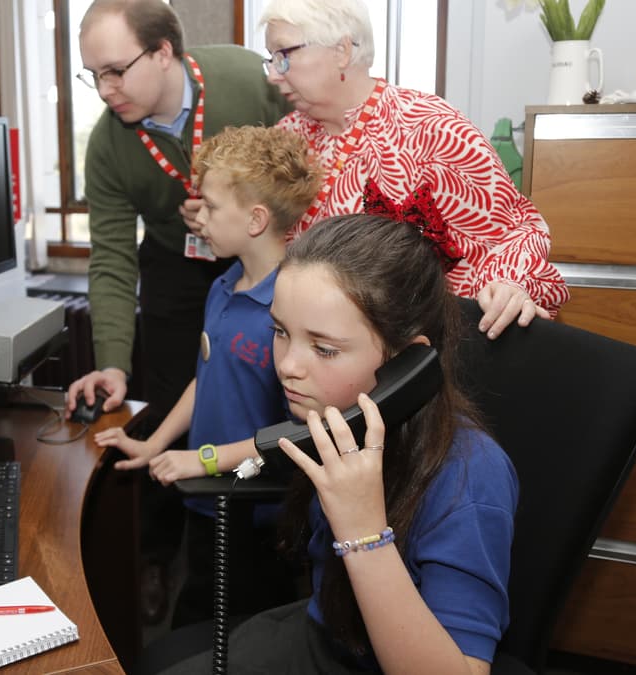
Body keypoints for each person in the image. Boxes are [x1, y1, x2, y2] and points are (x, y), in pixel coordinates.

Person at [159, 213, 518, 674]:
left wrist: (363, 534)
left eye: (324, 349)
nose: (287, 365)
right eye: (280, 332)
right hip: (324, 631)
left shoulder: (470, 478)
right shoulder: (334, 424)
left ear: (406, 363)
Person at [68, 0, 291, 622]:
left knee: (272, 385)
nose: (106, 90)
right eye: (94, 75)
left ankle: (275, 538)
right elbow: (112, 258)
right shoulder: (110, 145)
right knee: (169, 398)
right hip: (175, 263)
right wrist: (112, 363)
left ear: (164, 50)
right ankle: (160, 559)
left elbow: (309, 162)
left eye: (116, 70)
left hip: (263, 245)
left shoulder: (246, 79)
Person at [94, 125, 322, 626]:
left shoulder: (292, 307)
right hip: (207, 496)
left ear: (256, 219)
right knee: (196, 618)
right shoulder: (223, 286)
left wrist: (205, 460)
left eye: (213, 207)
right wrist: (156, 444)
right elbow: (208, 377)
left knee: (239, 632)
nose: (201, 217)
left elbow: (298, 432)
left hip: (253, 505)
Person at [246, 0, 569, 341]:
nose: (273, 75)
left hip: (420, 351)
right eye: (270, 59)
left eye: (284, 54)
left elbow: (513, 233)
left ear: (341, 50)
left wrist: (508, 285)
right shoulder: (285, 139)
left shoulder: (429, 127)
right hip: (309, 347)